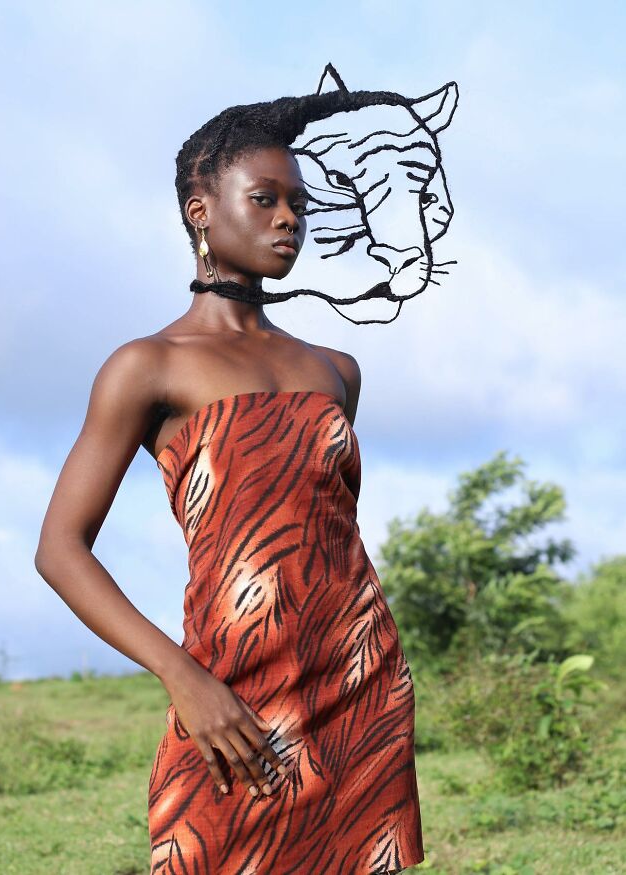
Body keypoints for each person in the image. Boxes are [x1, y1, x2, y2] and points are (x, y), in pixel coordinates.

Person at [35, 64, 450, 873]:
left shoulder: (336, 369)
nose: (290, 219)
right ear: (201, 211)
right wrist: (183, 677)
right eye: (266, 199)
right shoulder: (148, 365)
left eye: (300, 203)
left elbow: (325, 537)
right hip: (229, 690)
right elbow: (60, 547)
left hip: (359, 688)